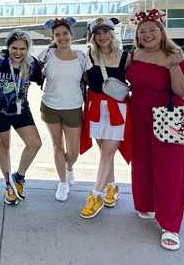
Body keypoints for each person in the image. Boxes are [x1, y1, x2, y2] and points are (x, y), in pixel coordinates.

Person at [126, 9, 184, 251]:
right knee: (142, 160)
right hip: (138, 109)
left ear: (161, 31)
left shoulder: (173, 54)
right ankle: (147, 204)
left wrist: (174, 67)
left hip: (169, 112)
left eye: (152, 29)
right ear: (137, 34)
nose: (147, 34)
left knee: (169, 168)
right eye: (142, 31)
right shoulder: (134, 54)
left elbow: (182, 91)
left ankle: (170, 225)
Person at [78, 17, 132, 219]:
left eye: (105, 32)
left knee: (107, 153)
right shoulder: (88, 57)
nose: (102, 36)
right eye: (98, 33)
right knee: (104, 152)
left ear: (112, 33)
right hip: (95, 109)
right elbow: (84, 80)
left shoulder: (126, 57)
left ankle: (96, 195)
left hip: (117, 110)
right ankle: (112, 187)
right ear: (93, 37)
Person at [0, 29, 43, 205]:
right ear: (8, 46)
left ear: (28, 49)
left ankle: (18, 178)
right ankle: (8, 185)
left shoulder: (32, 64)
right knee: (4, 146)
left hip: (20, 110)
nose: (18, 52)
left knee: (35, 144)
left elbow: (46, 79)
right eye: (14, 48)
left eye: (22, 48)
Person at [38, 17, 92, 202]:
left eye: (65, 34)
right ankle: (62, 182)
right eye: (57, 35)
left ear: (71, 35)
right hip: (50, 106)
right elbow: (32, 72)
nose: (61, 38)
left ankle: (69, 168)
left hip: (73, 107)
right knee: (57, 146)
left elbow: (89, 80)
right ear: (53, 38)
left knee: (74, 151)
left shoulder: (82, 57)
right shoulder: (46, 54)